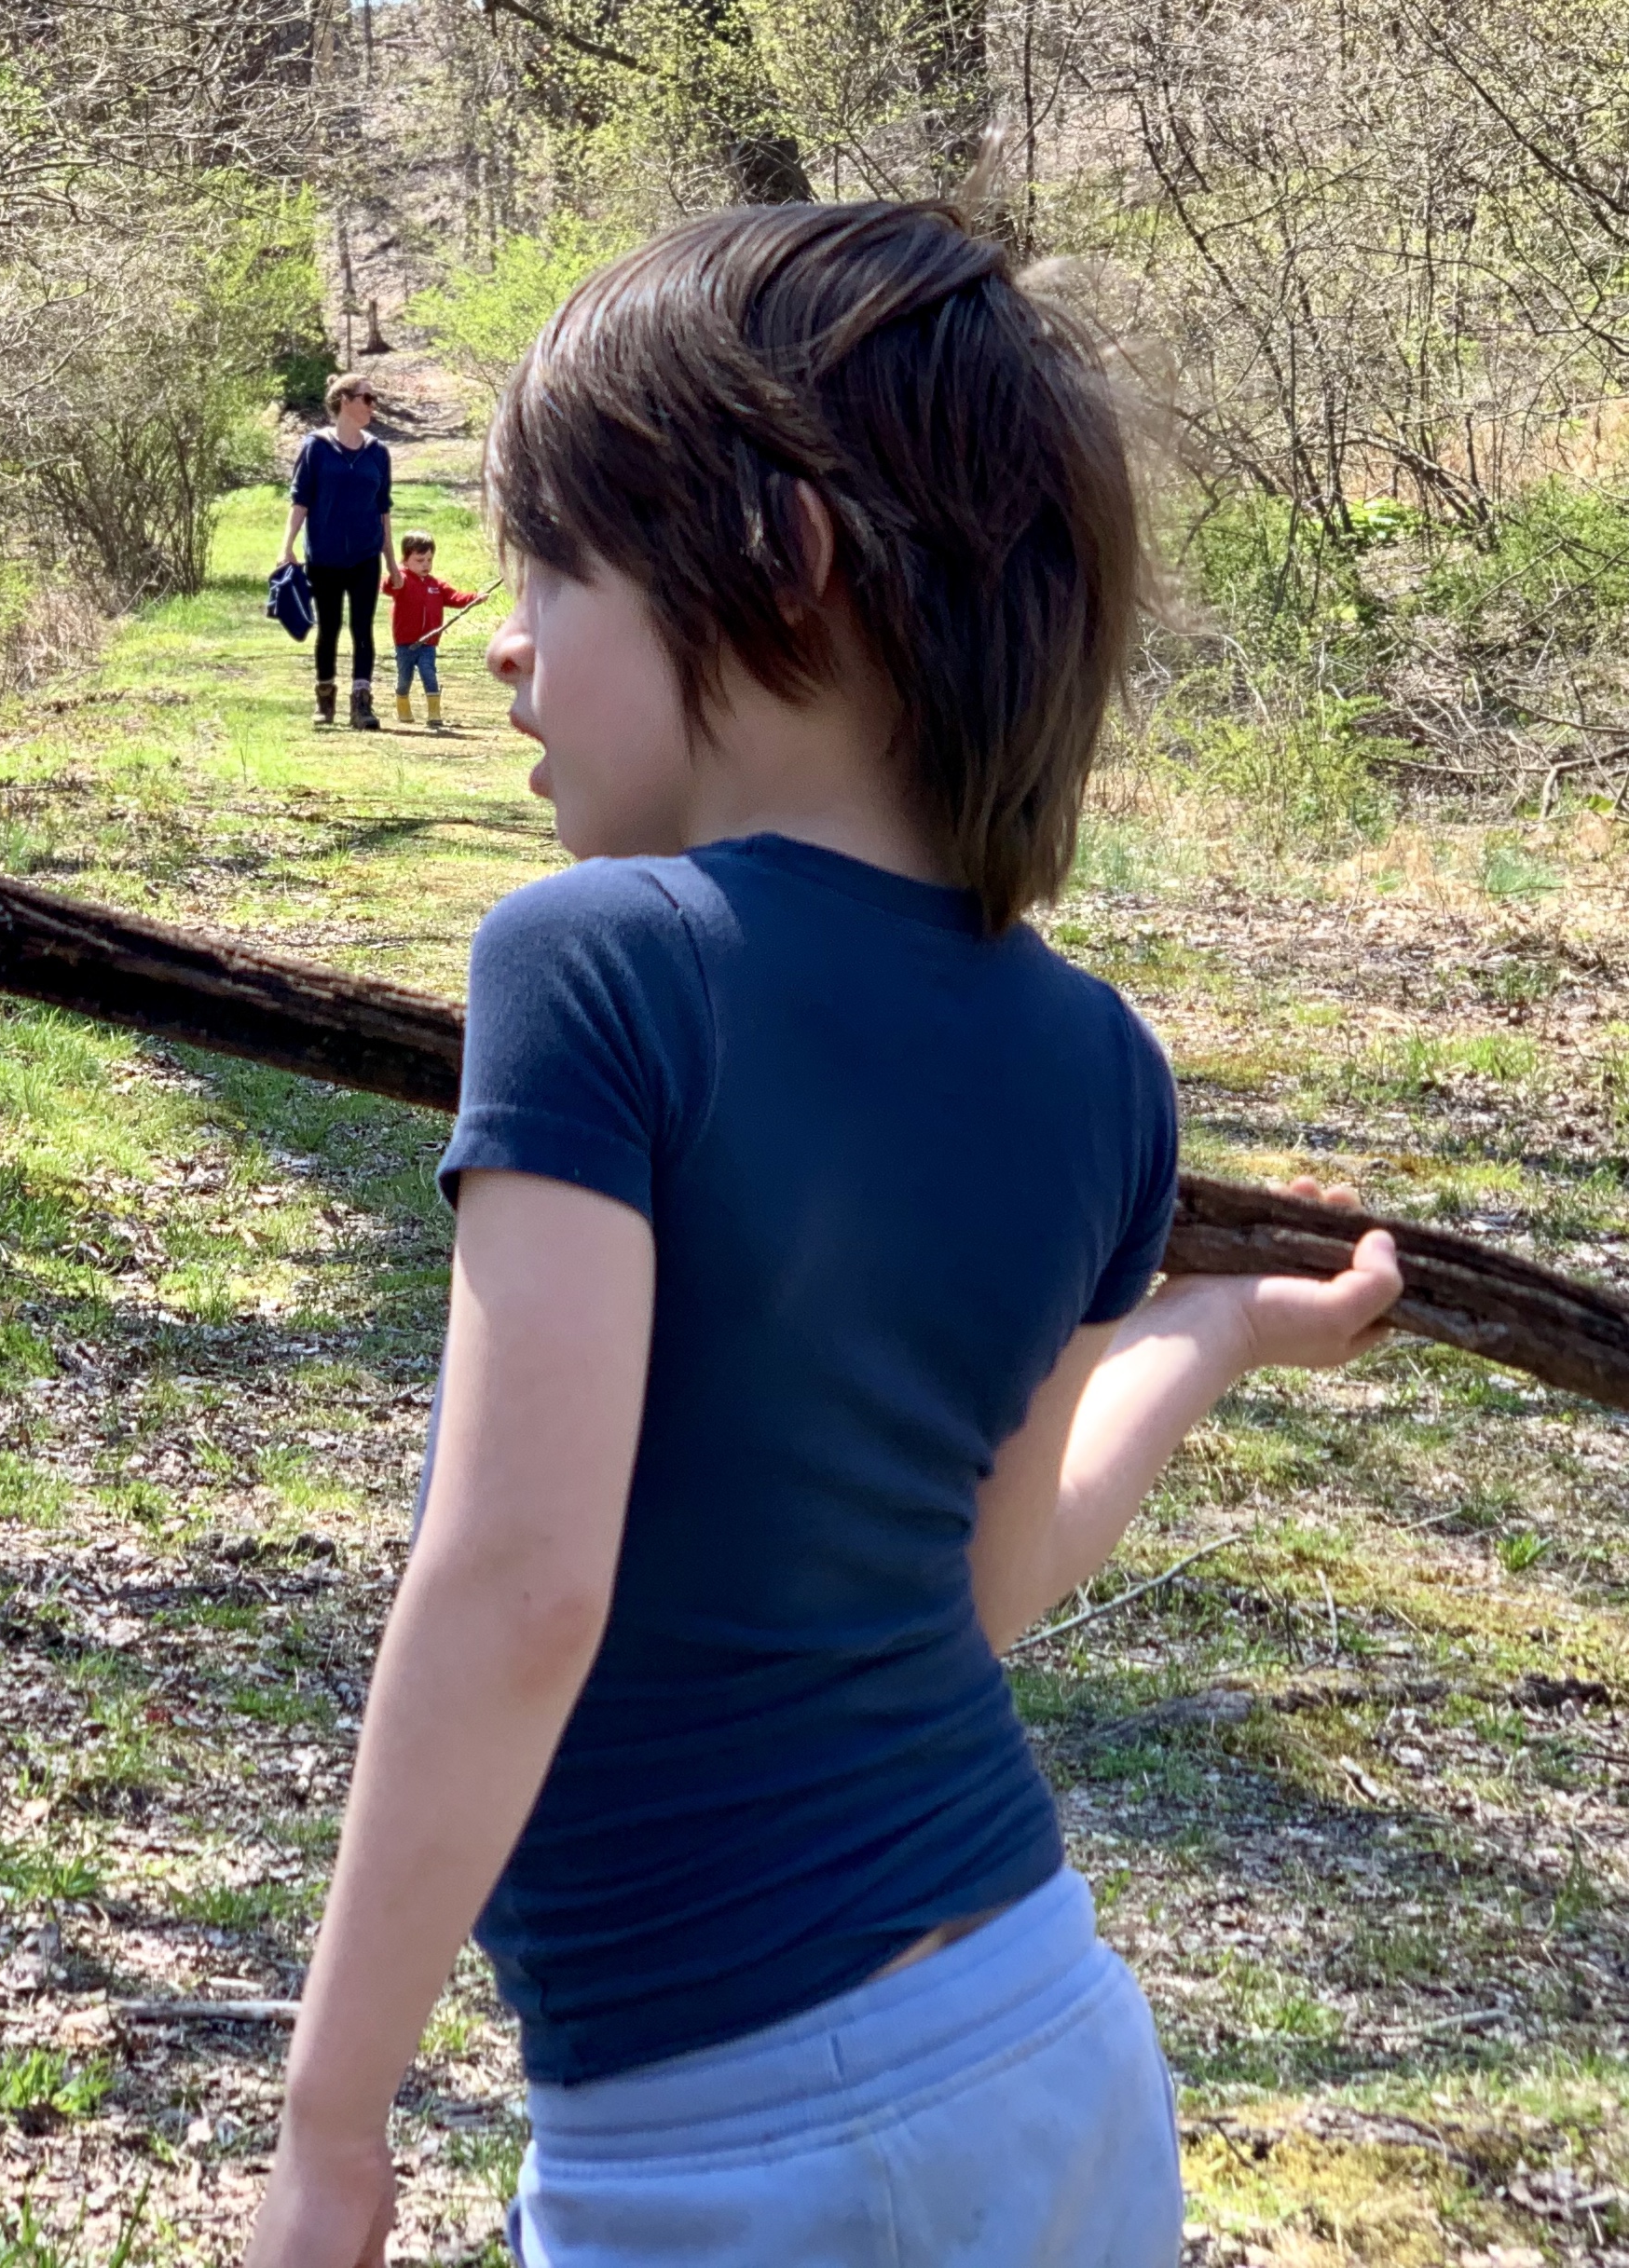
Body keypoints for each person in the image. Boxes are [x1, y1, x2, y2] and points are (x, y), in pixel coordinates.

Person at [242, 201, 1403, 2268]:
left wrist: (335, 2121)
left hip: (722, 2143)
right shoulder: (1105, 1067)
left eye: (557, 568)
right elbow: (993, 1576)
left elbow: (520, 1586)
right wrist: (1206, 1334)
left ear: (779, 564)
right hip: (1048, 2044)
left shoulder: (599, 962)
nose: (507, 637)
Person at [281, 373, 396, 730]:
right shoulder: (316, 447)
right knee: (328, 627)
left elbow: (384, 509)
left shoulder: (378, 453)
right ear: (345, 401)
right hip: (324, 556)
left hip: (365, 555)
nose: (372, 405)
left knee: (362, 629)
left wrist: (392, 561)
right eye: (367, 398)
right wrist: (286, 546)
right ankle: (325, 698)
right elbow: (300, 501)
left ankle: (362, 703)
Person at [386, 531, 479, 726]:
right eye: (420, 560)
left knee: (429, 673)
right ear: (405, 560)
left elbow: (456, 598)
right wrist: (395, 574)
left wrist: (474, 598)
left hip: (428, 643)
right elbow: (388, 587)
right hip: (405, 644)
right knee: (405, 678)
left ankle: (434, 714)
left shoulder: (436, 585)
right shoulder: (402, 581)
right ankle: (402, 705)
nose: (426, 565)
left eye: (429, 560)